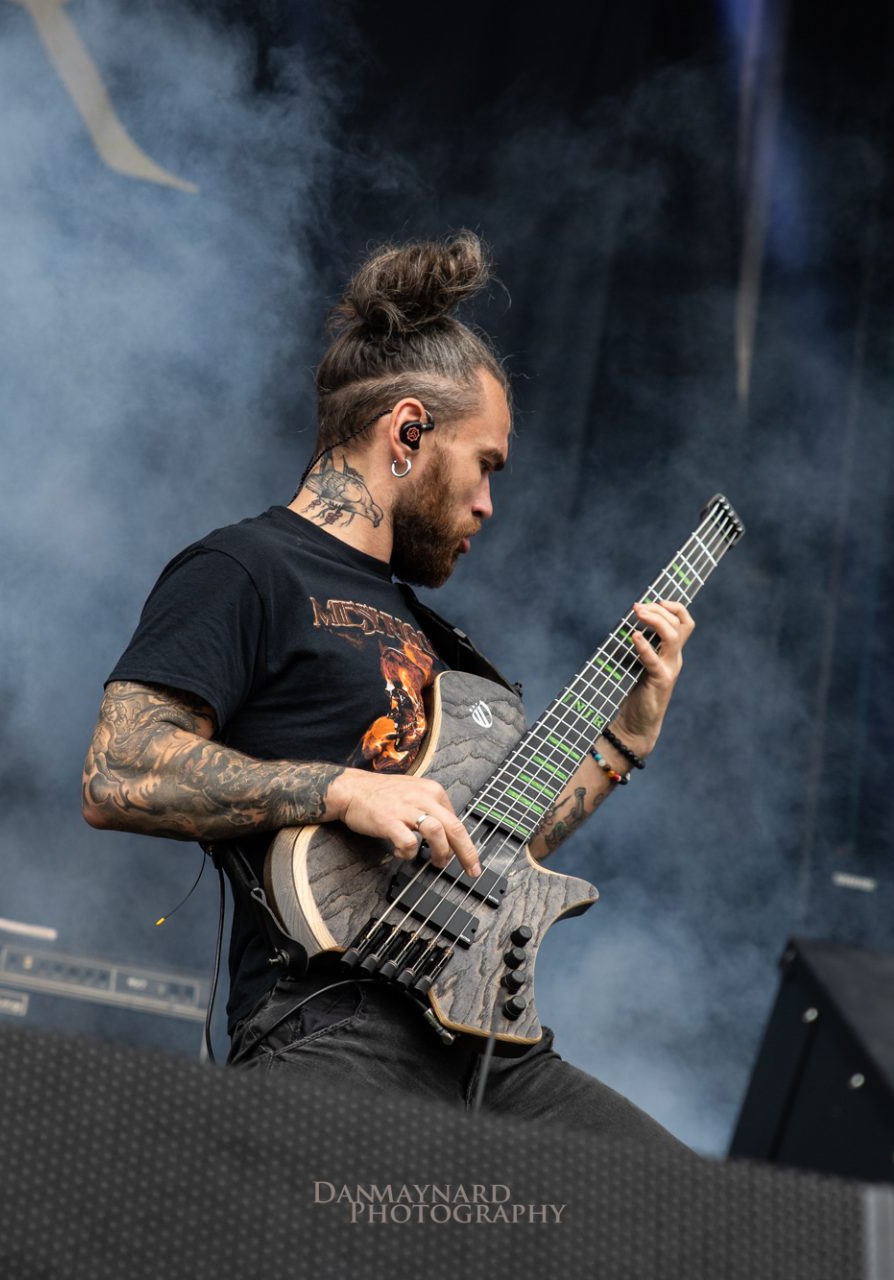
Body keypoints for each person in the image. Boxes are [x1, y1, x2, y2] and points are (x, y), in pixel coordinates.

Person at [82, 231, 696, 1151]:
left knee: (697, 1208)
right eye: (485, 464)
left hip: (490, 1045)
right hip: (333, 1025)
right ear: (409, 432)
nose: (488, 504)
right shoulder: (246, 568)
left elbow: (495, 859)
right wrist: (342, 789)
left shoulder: (441, 640)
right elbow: (118, 770)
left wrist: (622, 744)